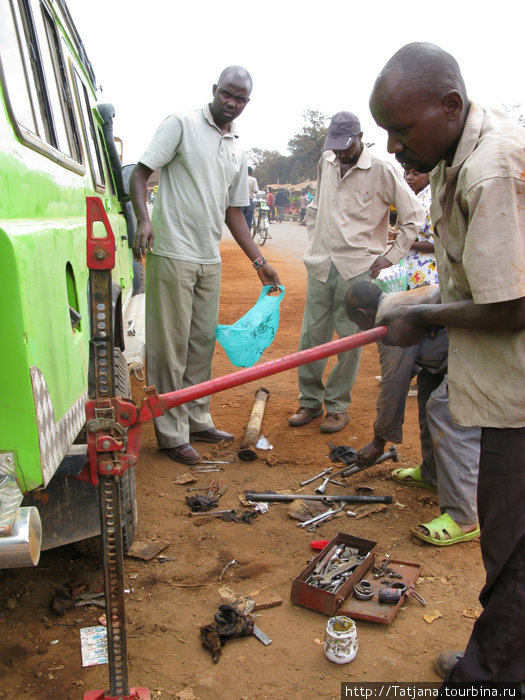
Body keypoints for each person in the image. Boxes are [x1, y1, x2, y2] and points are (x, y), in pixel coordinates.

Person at [370, 42, 525, 683]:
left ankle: (488, 677)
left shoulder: (492, 169)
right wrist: (406, 299)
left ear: (450, 105)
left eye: (401, 130)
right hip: (504, 384)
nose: (394, 147)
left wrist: (424, 317)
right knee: (506, 542)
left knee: (515, 551)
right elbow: (465, 283)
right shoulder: (450, 162)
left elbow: (511, 305)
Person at [130, 66, 280, 466]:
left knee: (200, 346)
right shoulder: (180, 124)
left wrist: (259, 261)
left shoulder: (237, 147)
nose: (232, 103)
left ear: (247, 103)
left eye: (241, 99)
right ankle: (171, 433)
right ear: (214, 90)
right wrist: (145, 219)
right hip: (172, 251)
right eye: (227, 94)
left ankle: (197, 419)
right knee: (170, 348)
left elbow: (235, 212)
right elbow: (141, 174)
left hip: (207, 258)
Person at [288, 111, 424, 433]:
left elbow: (413, 218)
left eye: (346, 146)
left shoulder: (382, 169)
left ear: (361, 137)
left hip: (358, 269)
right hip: (321, 264)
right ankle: (309, 401)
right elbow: (316, 208)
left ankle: (337, 406)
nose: (340, 153)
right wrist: (314, 243)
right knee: (311, 337)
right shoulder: (327, 161)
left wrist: (389, 258)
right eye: (334, 146)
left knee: (348, 340)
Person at [345, 281, 480, 545]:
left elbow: (393, 385)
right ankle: (433, 475)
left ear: (363, 313)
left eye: (358, 323)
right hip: (454, 351)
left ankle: (464, 518)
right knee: (429, 388)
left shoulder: (388, 321)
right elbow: (412, 365)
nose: (361, 330)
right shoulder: (393, 301)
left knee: (445, 409)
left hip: (477, 352)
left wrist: (378, 442)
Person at [402, 168, 438, 289]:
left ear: (429, 175)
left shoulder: (430, 200)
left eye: (415, 174)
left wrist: (405, 242)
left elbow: (436, 243)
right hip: (413, 269)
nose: (409, 177)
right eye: (406, 173)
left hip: (428, 272)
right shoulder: (413, 197)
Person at [242, 166, 258, 230]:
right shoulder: (253, 179)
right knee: (248, 220)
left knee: (241, 219)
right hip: (249, 200)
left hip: (241, 201)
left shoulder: (240, 178)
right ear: (251, 172)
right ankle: (247, 232)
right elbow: (256, 191)